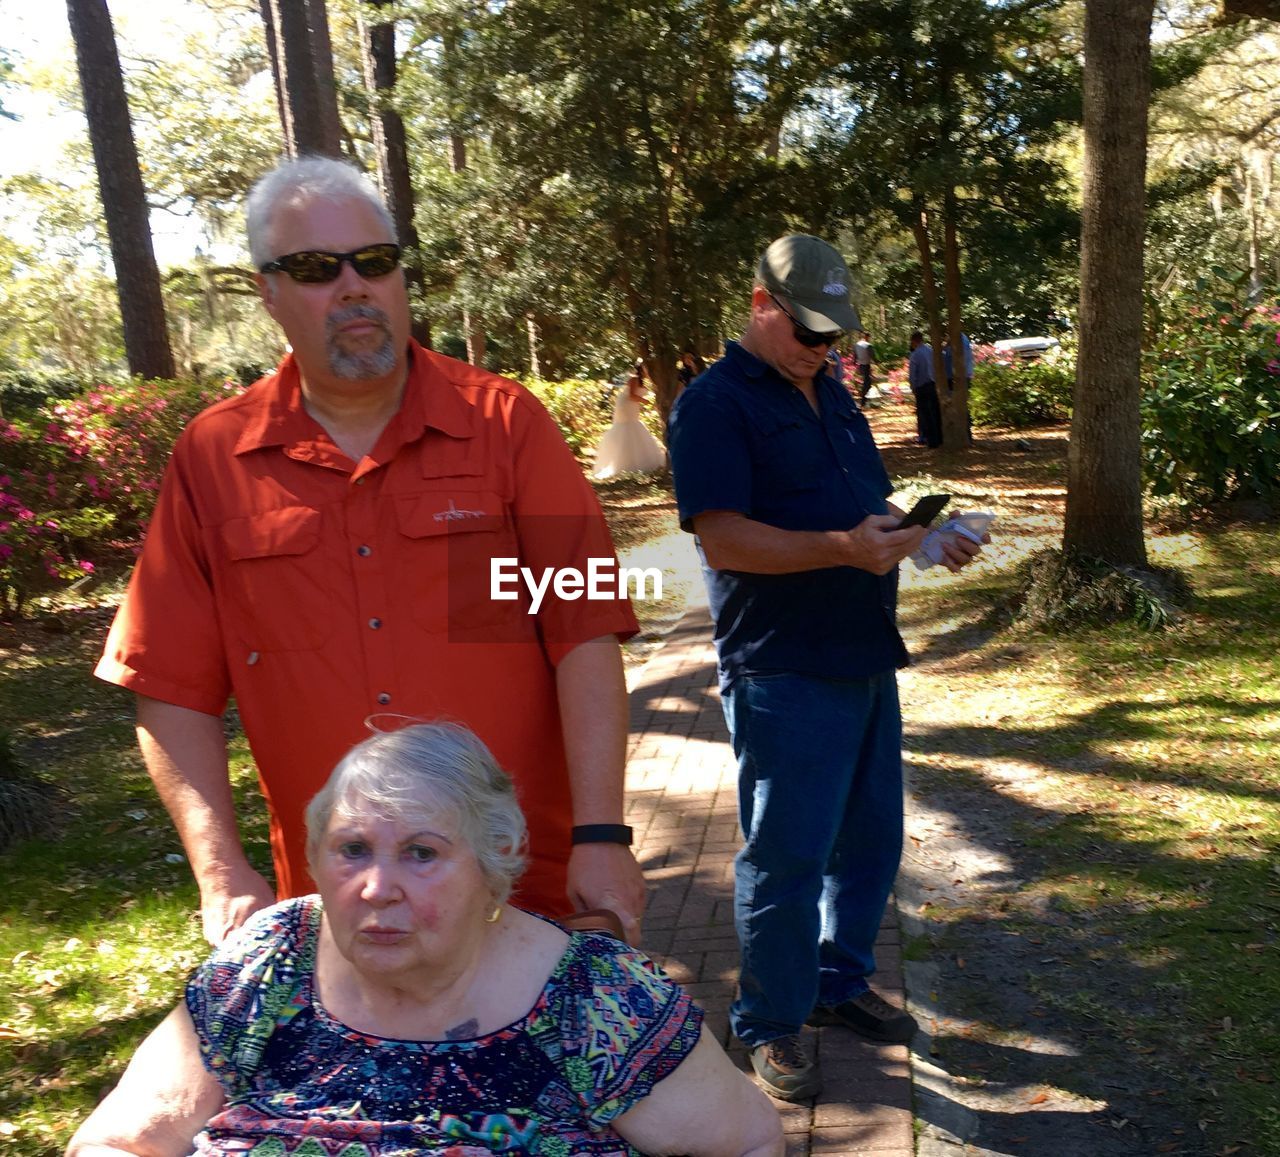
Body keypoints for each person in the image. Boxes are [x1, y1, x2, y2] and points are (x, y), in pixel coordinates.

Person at [94, 156, 645, 947]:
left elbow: (583, 632)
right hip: (340, 909)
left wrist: (604, 834)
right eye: (317, 268)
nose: (354, 286)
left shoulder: (508, 426)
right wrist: (220, 871)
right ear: (269, 292)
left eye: (376, 262)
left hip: (524, 887)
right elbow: (170, 685)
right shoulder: (214, 458)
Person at [66, 722, 784, 1157]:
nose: (377, 887)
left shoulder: (594, 998)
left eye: (420, 852)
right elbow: (118, 1139)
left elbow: (749, 1140)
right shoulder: (267, 966)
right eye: (351, 848)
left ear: (492, 865)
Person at [667, 235, 984, 1102]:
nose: (822, 348)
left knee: (871, 840)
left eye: (834, 335)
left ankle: (838, 985)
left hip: (862, 651)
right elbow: (723, 535)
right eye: (807, 331)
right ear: (761, 305)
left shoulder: (835, 392)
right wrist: (843, 548)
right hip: (781, 665)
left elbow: (861, 504)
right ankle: (768, 1020)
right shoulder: (715, 403)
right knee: (787, 855)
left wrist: (920, 535)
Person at [592, 371, 667, 479]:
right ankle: (624, 461)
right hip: (626, 405)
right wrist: (645, 401)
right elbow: (631, 395)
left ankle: (631, 458)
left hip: (632, 405)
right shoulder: (634, 378)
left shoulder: (643, 380)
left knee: (633, 426)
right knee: (628, 426)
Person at [908, 330, 942, 448]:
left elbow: (913, 374)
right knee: (934, 412)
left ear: (914, 341)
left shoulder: (915, 354)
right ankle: (938, 438)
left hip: (921, 387)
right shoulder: (931, 351)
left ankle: (928, 439)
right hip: (932, 385)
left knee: (924, 414)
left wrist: (913, 386)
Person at [852, 331, 875, 402]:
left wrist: (854, 362)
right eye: (869, 337)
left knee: (864, 382)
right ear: (867, 337)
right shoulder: (868, 345)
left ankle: (863, 398)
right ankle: (863, 399)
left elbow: (855, 355)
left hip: (860, 365)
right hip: (866, 365)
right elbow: (872, 355)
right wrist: (876, 362)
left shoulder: (856, 345)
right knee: (867, 383)